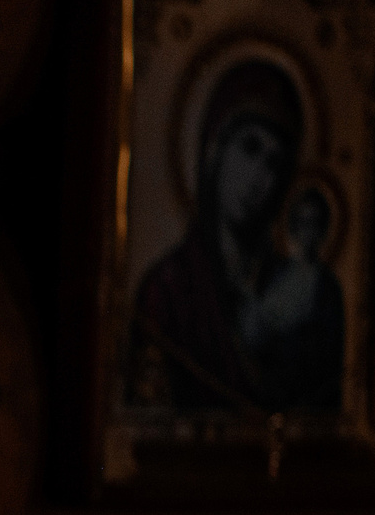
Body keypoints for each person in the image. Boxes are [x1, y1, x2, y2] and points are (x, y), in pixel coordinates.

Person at [126, 58, 346, 415]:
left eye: (275, 162)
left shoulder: (303, 292)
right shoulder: (167, 290)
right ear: (215, 149)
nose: (261, 178)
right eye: (250, 148)